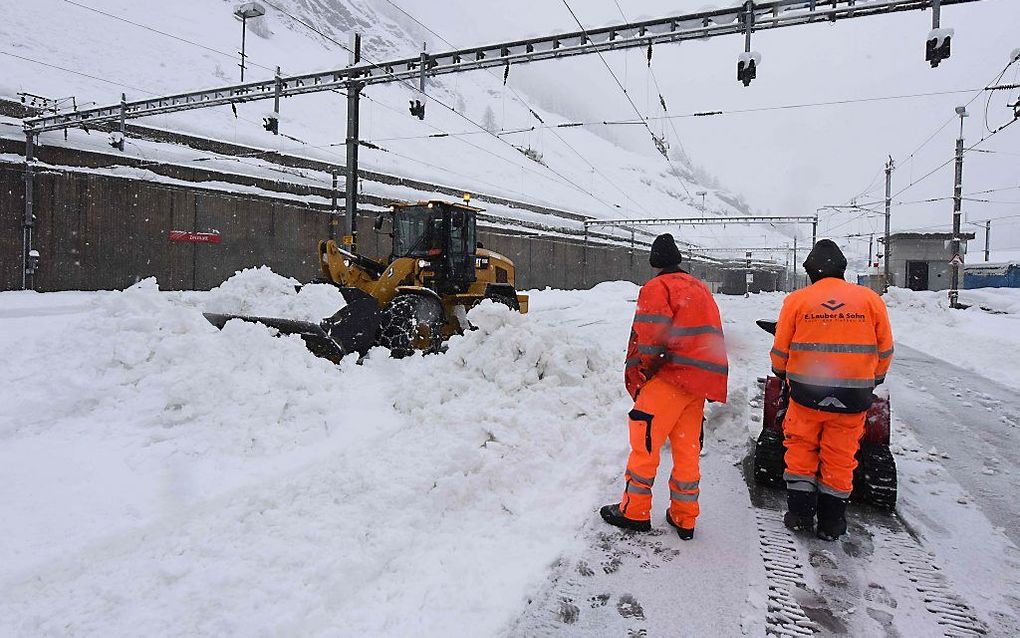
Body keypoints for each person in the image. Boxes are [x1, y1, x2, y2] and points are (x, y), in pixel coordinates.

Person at [600, 234, 729, 541]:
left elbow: (652, 337)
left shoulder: (657, 288)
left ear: (654, 262)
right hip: (698, 383)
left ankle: (635, 512)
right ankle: (685, 517)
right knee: (686, 451)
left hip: (669, 379)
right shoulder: (699, 288)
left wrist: (648, 374)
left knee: (644, 445)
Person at [770, 239, 894, 541]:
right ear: (842, 270)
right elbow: (885, 349)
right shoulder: (870, 301)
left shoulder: (798, 301)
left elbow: (780, 349)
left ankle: (800, 515)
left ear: (810, 271)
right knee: (840, 456)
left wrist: (781, 372)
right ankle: (832, 522)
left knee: (801, 450)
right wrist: (873, 379)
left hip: (806, 395)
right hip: (853, 398)